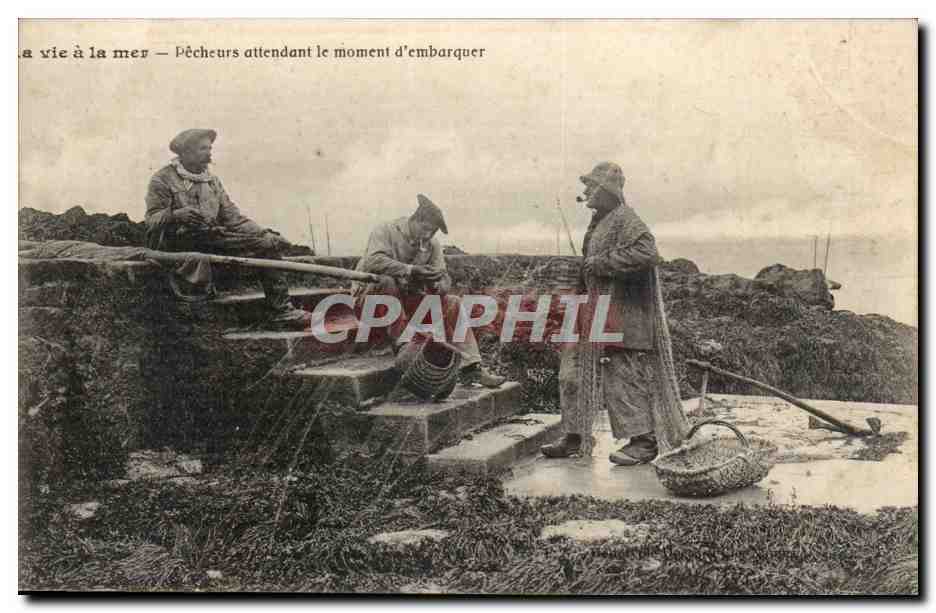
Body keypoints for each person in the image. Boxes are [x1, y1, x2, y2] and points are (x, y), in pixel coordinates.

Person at [541, 162, 688, 464]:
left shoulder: (626, 219)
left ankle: (643, 442)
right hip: (592, 310)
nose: (585, 191)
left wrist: (603, 263)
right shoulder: (600, 222)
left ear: (606, 190)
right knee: (572, 373)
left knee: (623, 376)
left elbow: (647, 253)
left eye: (590, 186)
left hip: (623, 313)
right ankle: (574, 436)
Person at [144, 128, 312, 328]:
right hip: (176, 244)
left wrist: (263, 233)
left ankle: (281, 310)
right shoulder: (162, 179)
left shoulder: (211, 181)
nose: (209, 154)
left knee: (267, 243)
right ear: (185, 152)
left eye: (209, 148)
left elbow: (233, 218)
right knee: (264, 245)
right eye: (202, 149)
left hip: (209, 239)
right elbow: (151, 220)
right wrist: (175, 215)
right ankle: (282, 311)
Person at [352, 194, 506, 388]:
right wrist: (411, 270)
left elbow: (444, 279)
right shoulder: (385, 230)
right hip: (370, 302)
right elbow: (373, 262)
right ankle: (405, 346)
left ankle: (471, 368)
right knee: (387, 280)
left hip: (404, 302)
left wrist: (436, 284)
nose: (427, 235)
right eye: (425, 229)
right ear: (415, 220)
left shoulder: (431, 245)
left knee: (452, 302)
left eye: (432, 232)